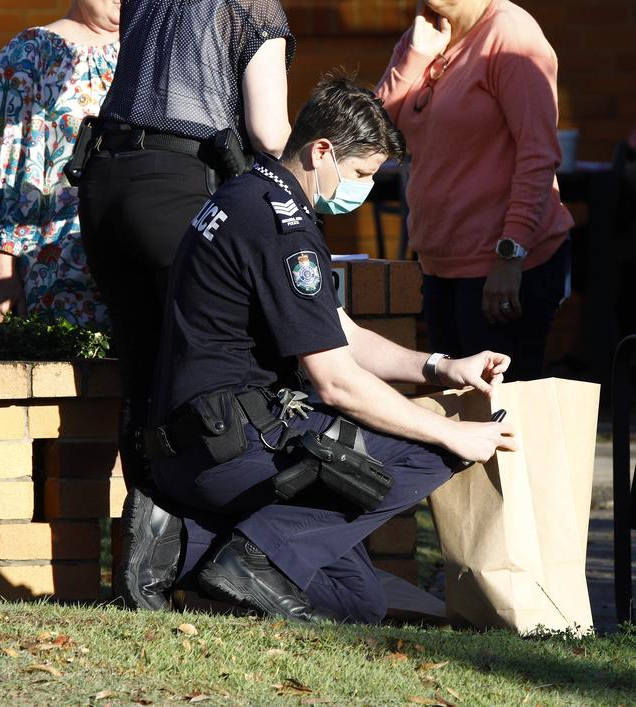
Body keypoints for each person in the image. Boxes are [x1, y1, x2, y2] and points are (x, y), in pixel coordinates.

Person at [126, 74, 517, 623]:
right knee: (426, 450)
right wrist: (455, 434)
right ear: (322, 150)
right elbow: (335, 380)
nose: (361, 188)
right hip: (231, 446)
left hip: (201, 444)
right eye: (360, 173)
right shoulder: (282, 228)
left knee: (358, 604)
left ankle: (179, 541)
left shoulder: (249, 196)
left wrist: (439, 366)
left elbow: (342, 335)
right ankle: (249, 559)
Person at [77, 0, 309, 494]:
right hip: (177, 188)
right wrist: (311, 182)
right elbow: (268, 132)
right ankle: (192, 539)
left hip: (102, 185)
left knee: (141, 363)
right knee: (200, 368)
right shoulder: (254, 3)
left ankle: (140, 559)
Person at [376, 0, 574, 382]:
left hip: (504, 268)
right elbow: (373, 135)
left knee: (504, 426)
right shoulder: (424, 33)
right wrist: (416, 58)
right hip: (439, 263)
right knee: (457, 428)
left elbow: (538, 157)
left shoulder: (512, 38)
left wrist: (510, 257)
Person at [0, 0, 155, 326]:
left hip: (142, 273)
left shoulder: (149, 53)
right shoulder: (31, 52)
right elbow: (2, 169)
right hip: (57, 279)